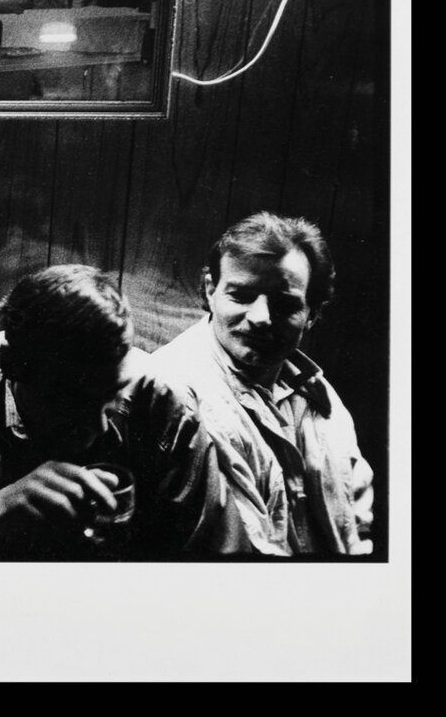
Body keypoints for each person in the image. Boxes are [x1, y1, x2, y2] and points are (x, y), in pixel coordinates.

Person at [0, 263, 245, 557]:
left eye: (112, 395)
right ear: (10, 365)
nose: (101, 427)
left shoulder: (165, 402)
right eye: (72, 401)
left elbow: (212, 556)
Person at [144, 212, 375, 555]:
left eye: (285, 304)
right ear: (211, 290)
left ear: (312, 313)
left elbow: (356, 527)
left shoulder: (322, 398)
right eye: (240, 295)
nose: (261, 318)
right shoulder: (173, 391)